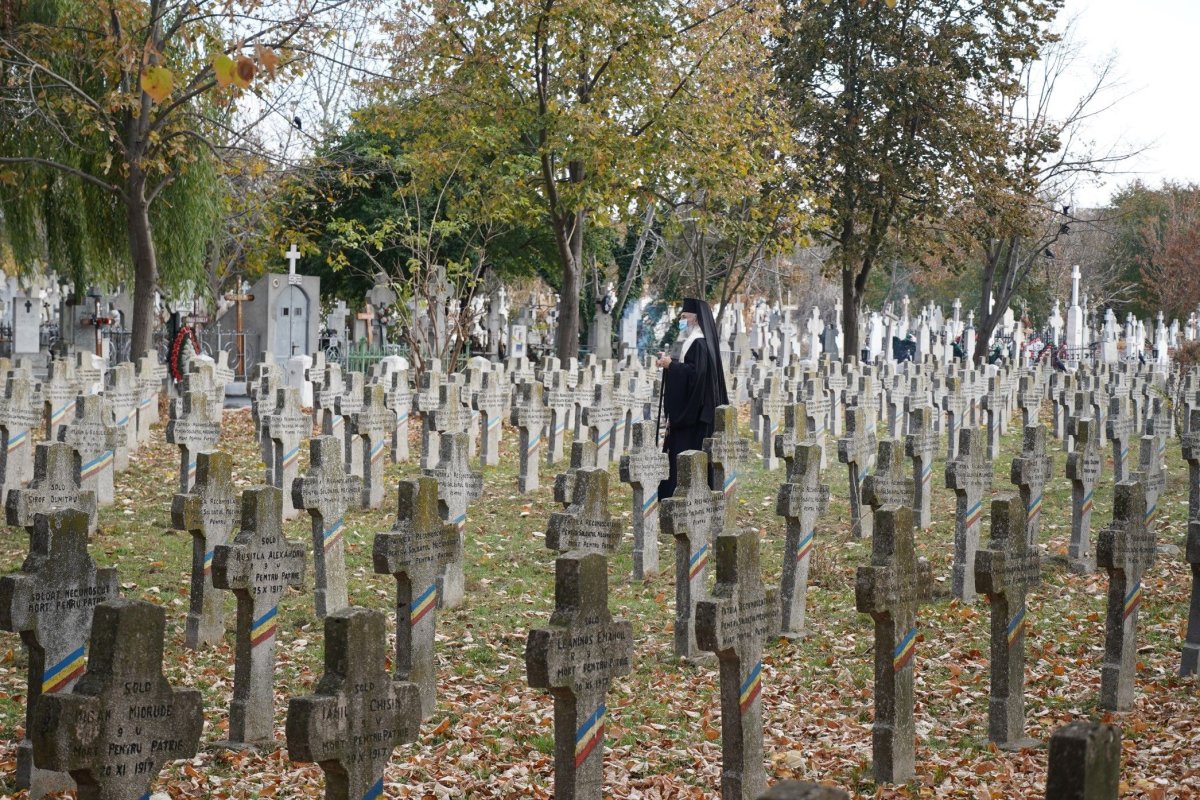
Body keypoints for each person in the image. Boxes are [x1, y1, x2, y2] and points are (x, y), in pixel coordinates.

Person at [656, 298, 729, 499]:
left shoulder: (699, 343)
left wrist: (672, 366)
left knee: (688, 453)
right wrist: (668, 363)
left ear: (696, 320)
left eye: (685, 317)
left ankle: (683, 494)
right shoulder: (692, 341)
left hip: (694, 415)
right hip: (691, 411)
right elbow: (687, 368)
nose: (681, 321)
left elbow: (695, 376)